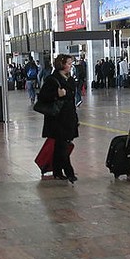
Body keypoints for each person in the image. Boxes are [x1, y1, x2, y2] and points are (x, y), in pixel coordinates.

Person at [39, 53, 79, 183]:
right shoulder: (52, 80)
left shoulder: (70, 80)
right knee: (62, 146)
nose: (70, 65)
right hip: (57, 119)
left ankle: (57, 171)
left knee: (60, 147)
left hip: (69, 118)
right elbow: (43, 97)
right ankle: (69, 172)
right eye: (68, 63)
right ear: (61, 64)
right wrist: (56, 93)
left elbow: (72, 101)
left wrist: (76, 119)